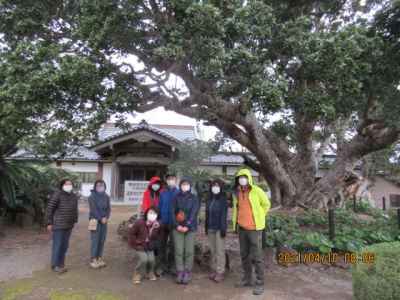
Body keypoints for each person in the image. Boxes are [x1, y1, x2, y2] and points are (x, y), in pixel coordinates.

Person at [232, 169, 271, 296]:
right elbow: (236, 209)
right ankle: (247, 279)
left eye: (244, 177)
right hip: (242, 228)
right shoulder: (237, 192)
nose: (242, 179)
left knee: (257, 256)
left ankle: (260, 282)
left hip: (254, 229)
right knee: (244, 255)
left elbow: (266, 204)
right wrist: (235, 225)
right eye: (239, 177)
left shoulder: (257, 191)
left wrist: (259, 217)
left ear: (249, 178)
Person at [170, 177, 199, 284]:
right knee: (178, 250)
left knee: (189, 251)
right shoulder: (175, 197)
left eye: (187, 184)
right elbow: (172, 212)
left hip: (190, 228)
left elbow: (194, 212)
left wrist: (187, 225)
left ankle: (187, 272)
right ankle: (180, 271)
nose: (185, 186)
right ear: (180, 185)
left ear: (190, 186)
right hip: (177, 228)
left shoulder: (194, 198)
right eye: (183, 184)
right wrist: (177, 225)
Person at [46, 179, 79, 273]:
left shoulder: (73, 196)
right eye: (66, 184)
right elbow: (50, 209)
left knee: (65, 246)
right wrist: (49, 222)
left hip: (69, 225)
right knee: (58, 245)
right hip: (58, 225)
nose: (69, 186)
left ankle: (61, 264)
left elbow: (75, 209)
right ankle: (55, 265)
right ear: (62, 185)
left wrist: (74, 220)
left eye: (70, 184)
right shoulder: (57, 194)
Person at [128, 206, 161, 284]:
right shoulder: (140, 222)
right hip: (139, 245)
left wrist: (154, 229)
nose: (152, 215)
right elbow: (131, 234)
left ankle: (149, 273)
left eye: (154, 213)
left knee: (152, 260)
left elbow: (157, 238)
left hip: (149, 246)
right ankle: (137, 274)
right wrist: (136, 242)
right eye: (150, 213)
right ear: (147, 213)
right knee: (144, 259)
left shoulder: (157, 225)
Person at [205, 179, 228, 283]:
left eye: (217, 185)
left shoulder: (223, 200)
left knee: (220, 250)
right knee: (213, 250)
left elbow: (224, 215)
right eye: (214, 185)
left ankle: (220, 271)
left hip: (219, 228)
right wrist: (206, 227)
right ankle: (213, 269)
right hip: (210, 228)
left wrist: (223, 228)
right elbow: (207, 214)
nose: (215, 187)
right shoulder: (209, 199)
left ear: (221, 187)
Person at [158, 173, 179, 275]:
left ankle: (172, 266)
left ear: (176, 180)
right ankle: (162, 266)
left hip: (174, 223)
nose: (171, 180)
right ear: (166, 181)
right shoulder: (163, 193)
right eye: (169, 179)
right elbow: (159, 206)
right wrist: (159, 220)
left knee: (173, 245)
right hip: (163, 222)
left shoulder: (179, 193)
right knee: (162, 244)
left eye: (172, 179)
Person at [88, 179, 111, 269]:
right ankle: (93, 259)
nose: (100, 187)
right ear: (95, 186)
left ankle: (99, 257)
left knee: (102, 240)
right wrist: (100, 218)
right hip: (94, 221)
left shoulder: (106, 196)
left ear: (104, 186)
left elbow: (108, 209)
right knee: (95, 240)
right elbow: (93, 210)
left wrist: (106, 217)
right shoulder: (91, 197)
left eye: (102, 185)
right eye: (98, 185)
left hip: (104, 221)